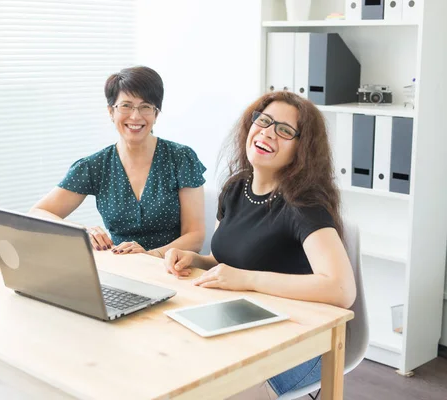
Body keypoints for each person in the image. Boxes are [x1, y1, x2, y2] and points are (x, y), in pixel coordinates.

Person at [163, 91, 357, 399]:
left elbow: (342, 290)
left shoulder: (304, 205)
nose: (267, 132)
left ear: (302, 149)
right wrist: (196, 260)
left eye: (284, 130)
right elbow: (227, 259)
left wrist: (248, 280)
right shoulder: (236, 188)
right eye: (264, 121)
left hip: (304, 343)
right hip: (243, 326)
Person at [30, 66, 206, 258]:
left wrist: (151, 255)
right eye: (126, 106)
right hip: (122, 267)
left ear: (156, 114)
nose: (135, 116)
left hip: (172, 268)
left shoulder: (181, 158)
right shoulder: (94, 166)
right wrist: (83, 231)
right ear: (111, 111)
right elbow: (38, 213)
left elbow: (195, 236)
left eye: (146, 106)